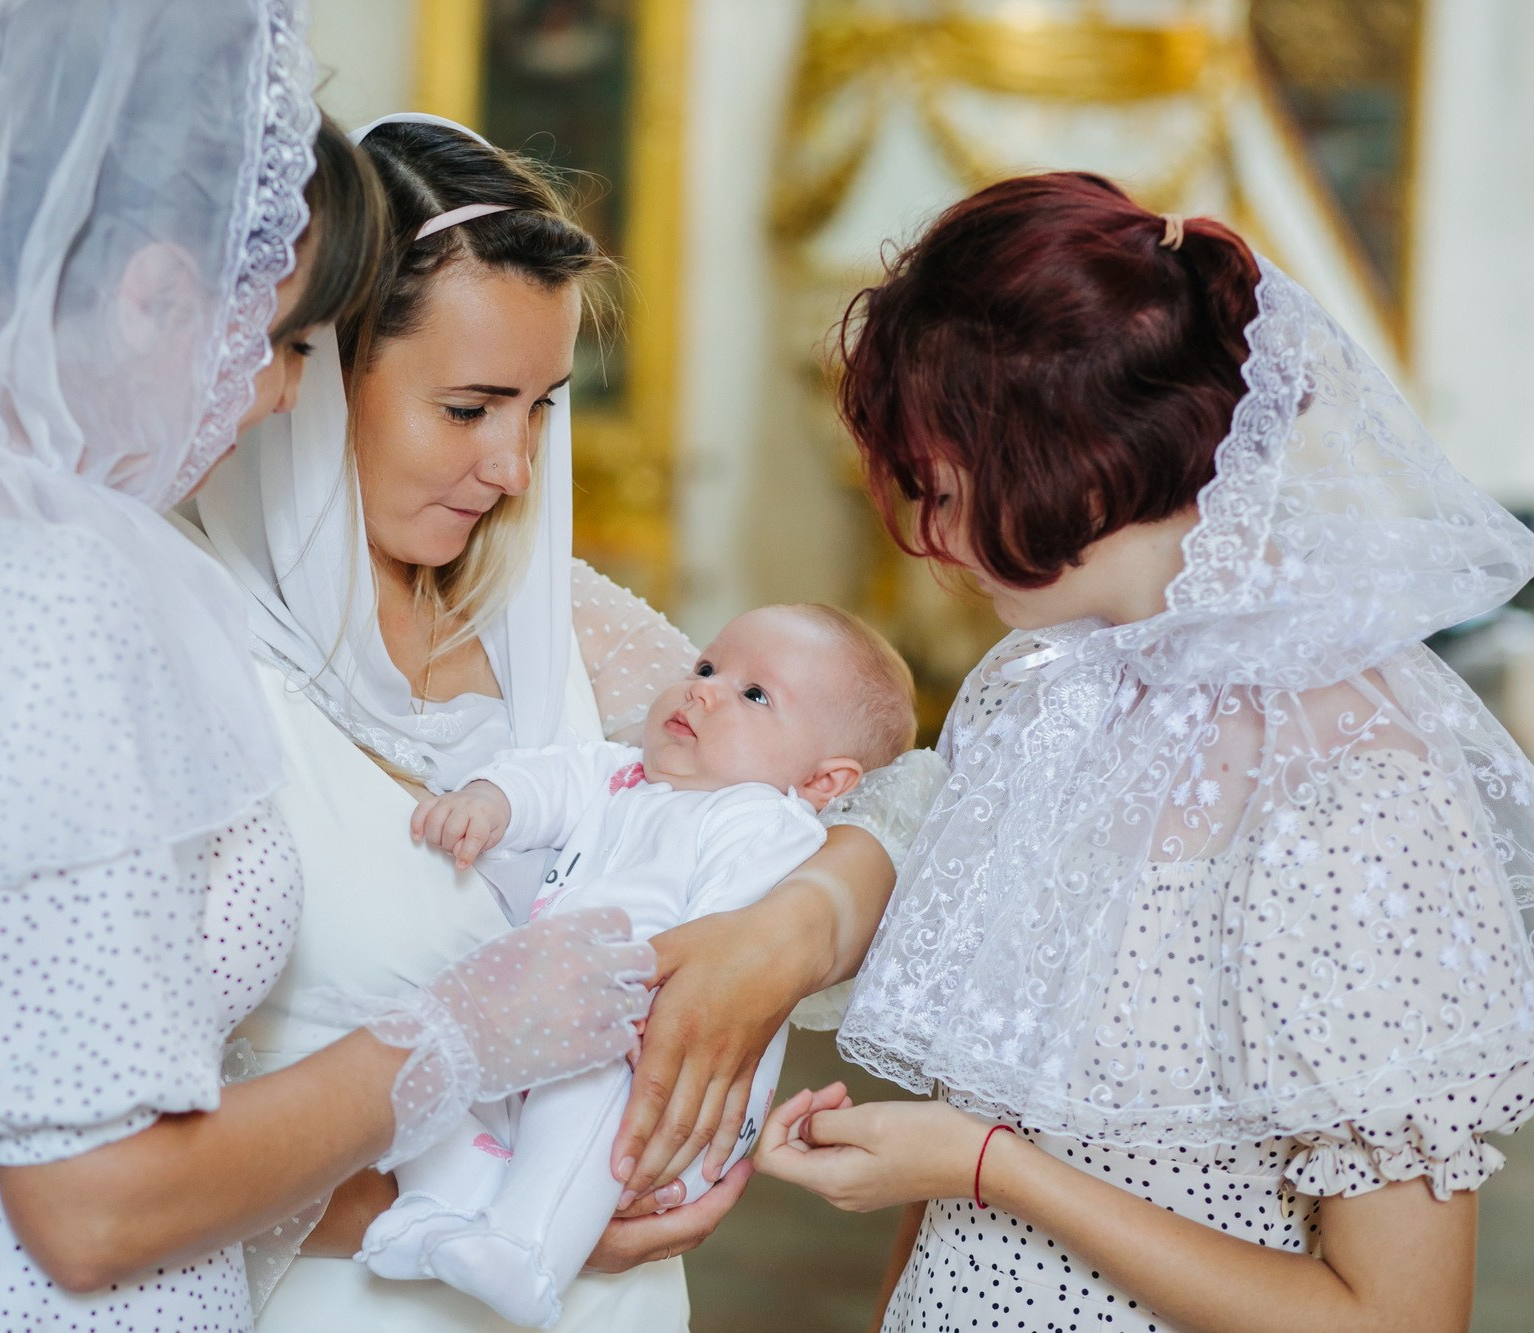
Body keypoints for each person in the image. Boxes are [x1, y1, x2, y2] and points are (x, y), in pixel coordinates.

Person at [0, 4, 656, 1328]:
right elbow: (89, 1208)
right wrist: (464, 1035)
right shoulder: (55, 598)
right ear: (158, 295)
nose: (278, 400)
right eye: (292, 343)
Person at [189, 112, 946, 1331]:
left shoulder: (561, 627)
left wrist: (793, 928)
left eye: (538, 408)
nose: (515, 472)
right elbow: (92, 1162)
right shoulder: (179, 642)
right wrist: (513, 1215)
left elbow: (890, 796)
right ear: (319, 376)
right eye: (468, 408)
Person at [754, 172, 1534, 1333]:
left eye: (940, 476)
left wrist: (985, 1167)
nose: (919, 529)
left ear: (1068, 456)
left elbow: (1395, 1315)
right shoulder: (1039, 695)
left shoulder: (1352, 789)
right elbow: (967, 1158)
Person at [368, 604, 917, 1326]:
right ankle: (442, 1206)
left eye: (755, 694)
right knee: (441, 1066)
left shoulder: (762, 824)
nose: (703, 690)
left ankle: (525, 1247)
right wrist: (490, 801)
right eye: (706, 667)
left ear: (823, 781)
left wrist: (643, 1013)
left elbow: (725, 950)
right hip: (548, 1019)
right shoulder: (623, 773)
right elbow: (550, 778)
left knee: (585, 1094)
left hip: (654, 1069)